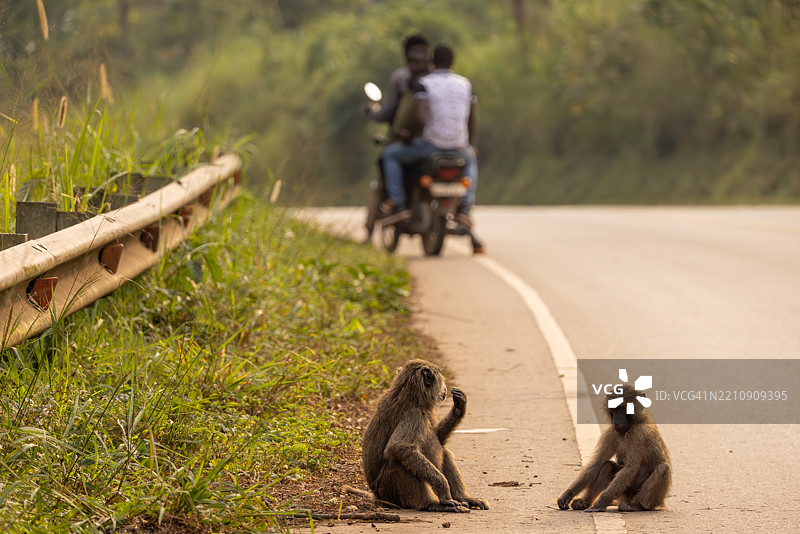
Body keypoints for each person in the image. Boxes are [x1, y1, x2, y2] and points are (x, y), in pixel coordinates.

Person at [381, 44, 479, 233]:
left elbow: (420, 116)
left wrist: (411, 134)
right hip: (459, 146)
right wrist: (470, 143)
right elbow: (472, 119)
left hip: (430, 145)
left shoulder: (424, 83)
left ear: (432, 63)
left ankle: (398, 204)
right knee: (471, 159)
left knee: (390, 154)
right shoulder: (465, 84)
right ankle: (466, 207)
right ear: (453, 63)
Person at [363, 34, 431, 243]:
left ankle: (396, 205)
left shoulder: (402, 78)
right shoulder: (436, 77)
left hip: (411, 142)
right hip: (436, 144)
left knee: (388, 158)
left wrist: (374, 112)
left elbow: (389, 112)